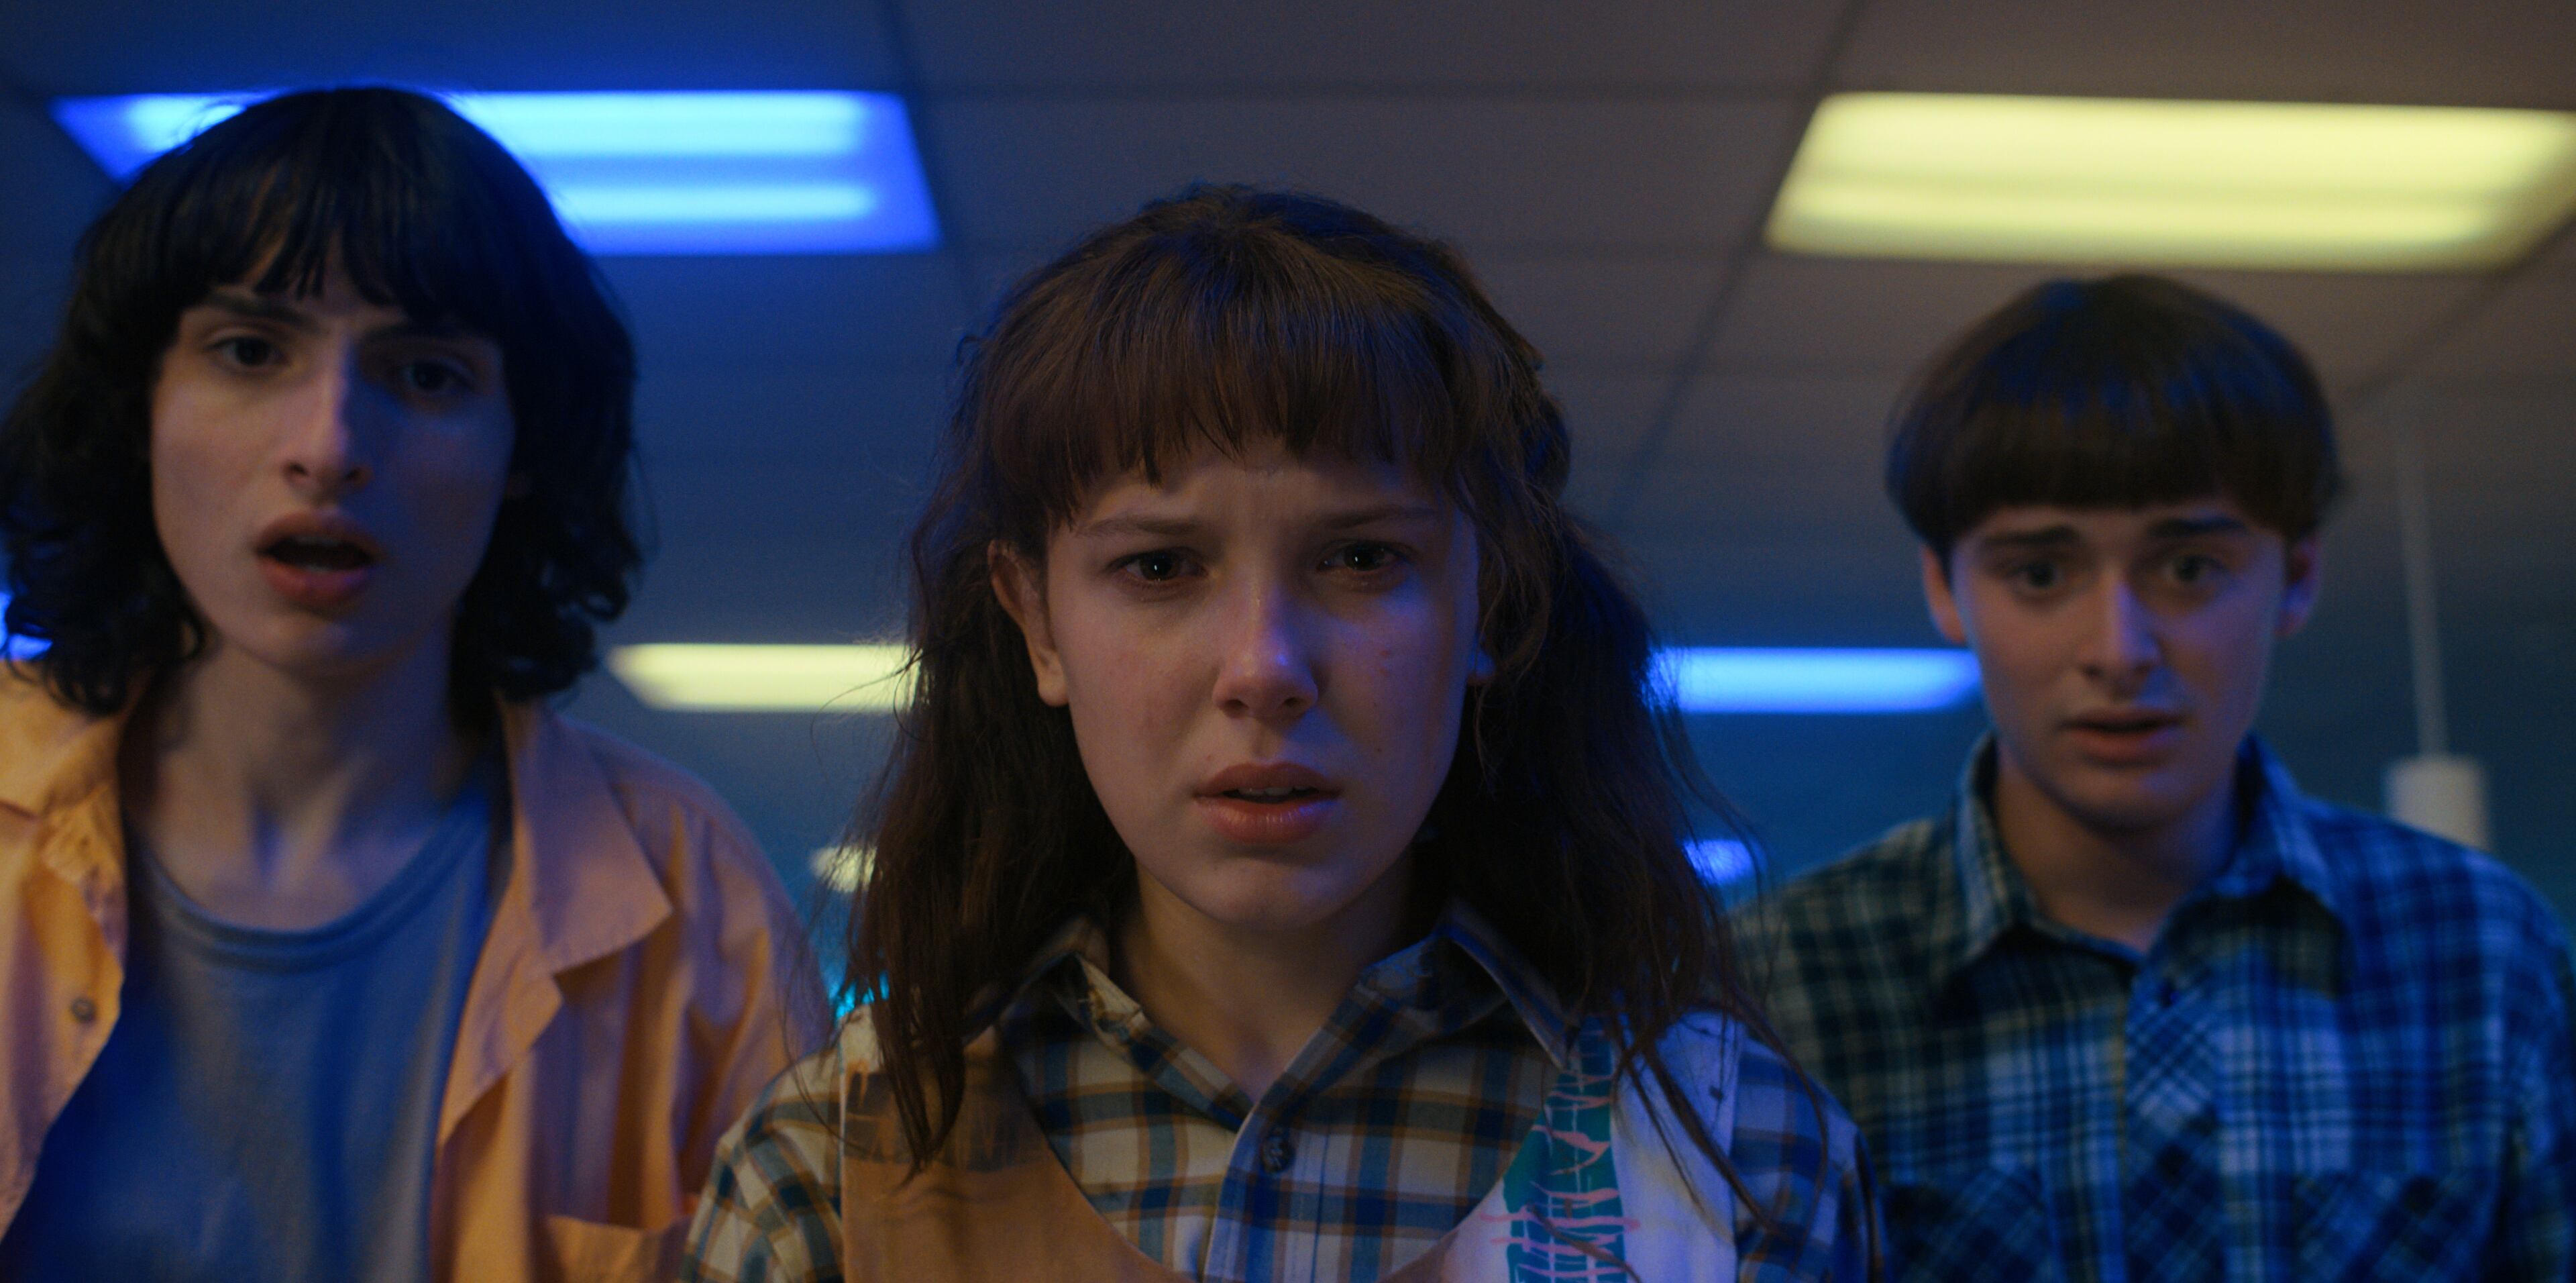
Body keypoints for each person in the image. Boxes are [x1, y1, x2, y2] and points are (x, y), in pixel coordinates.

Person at [680, 186, 1876, 1281]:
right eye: (1160, 567)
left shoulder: (1735, 1157)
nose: (1264, 669)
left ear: (1492, 604)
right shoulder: (827, 1171)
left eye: (1362, 557)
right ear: (1036, 622)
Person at [0, 87, 823, 1282]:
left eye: (428, 375)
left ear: (524, 446)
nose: (330, 446)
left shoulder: (699, 904)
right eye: (249, 352)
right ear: (142, 405)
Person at [1742, 275, 2575, 1280]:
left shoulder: (2480, 949)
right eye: (2040, 574)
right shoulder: (1776, 981)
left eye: (2188, 569)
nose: (2119, 649)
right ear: (1942, 587)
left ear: (2298, 576)